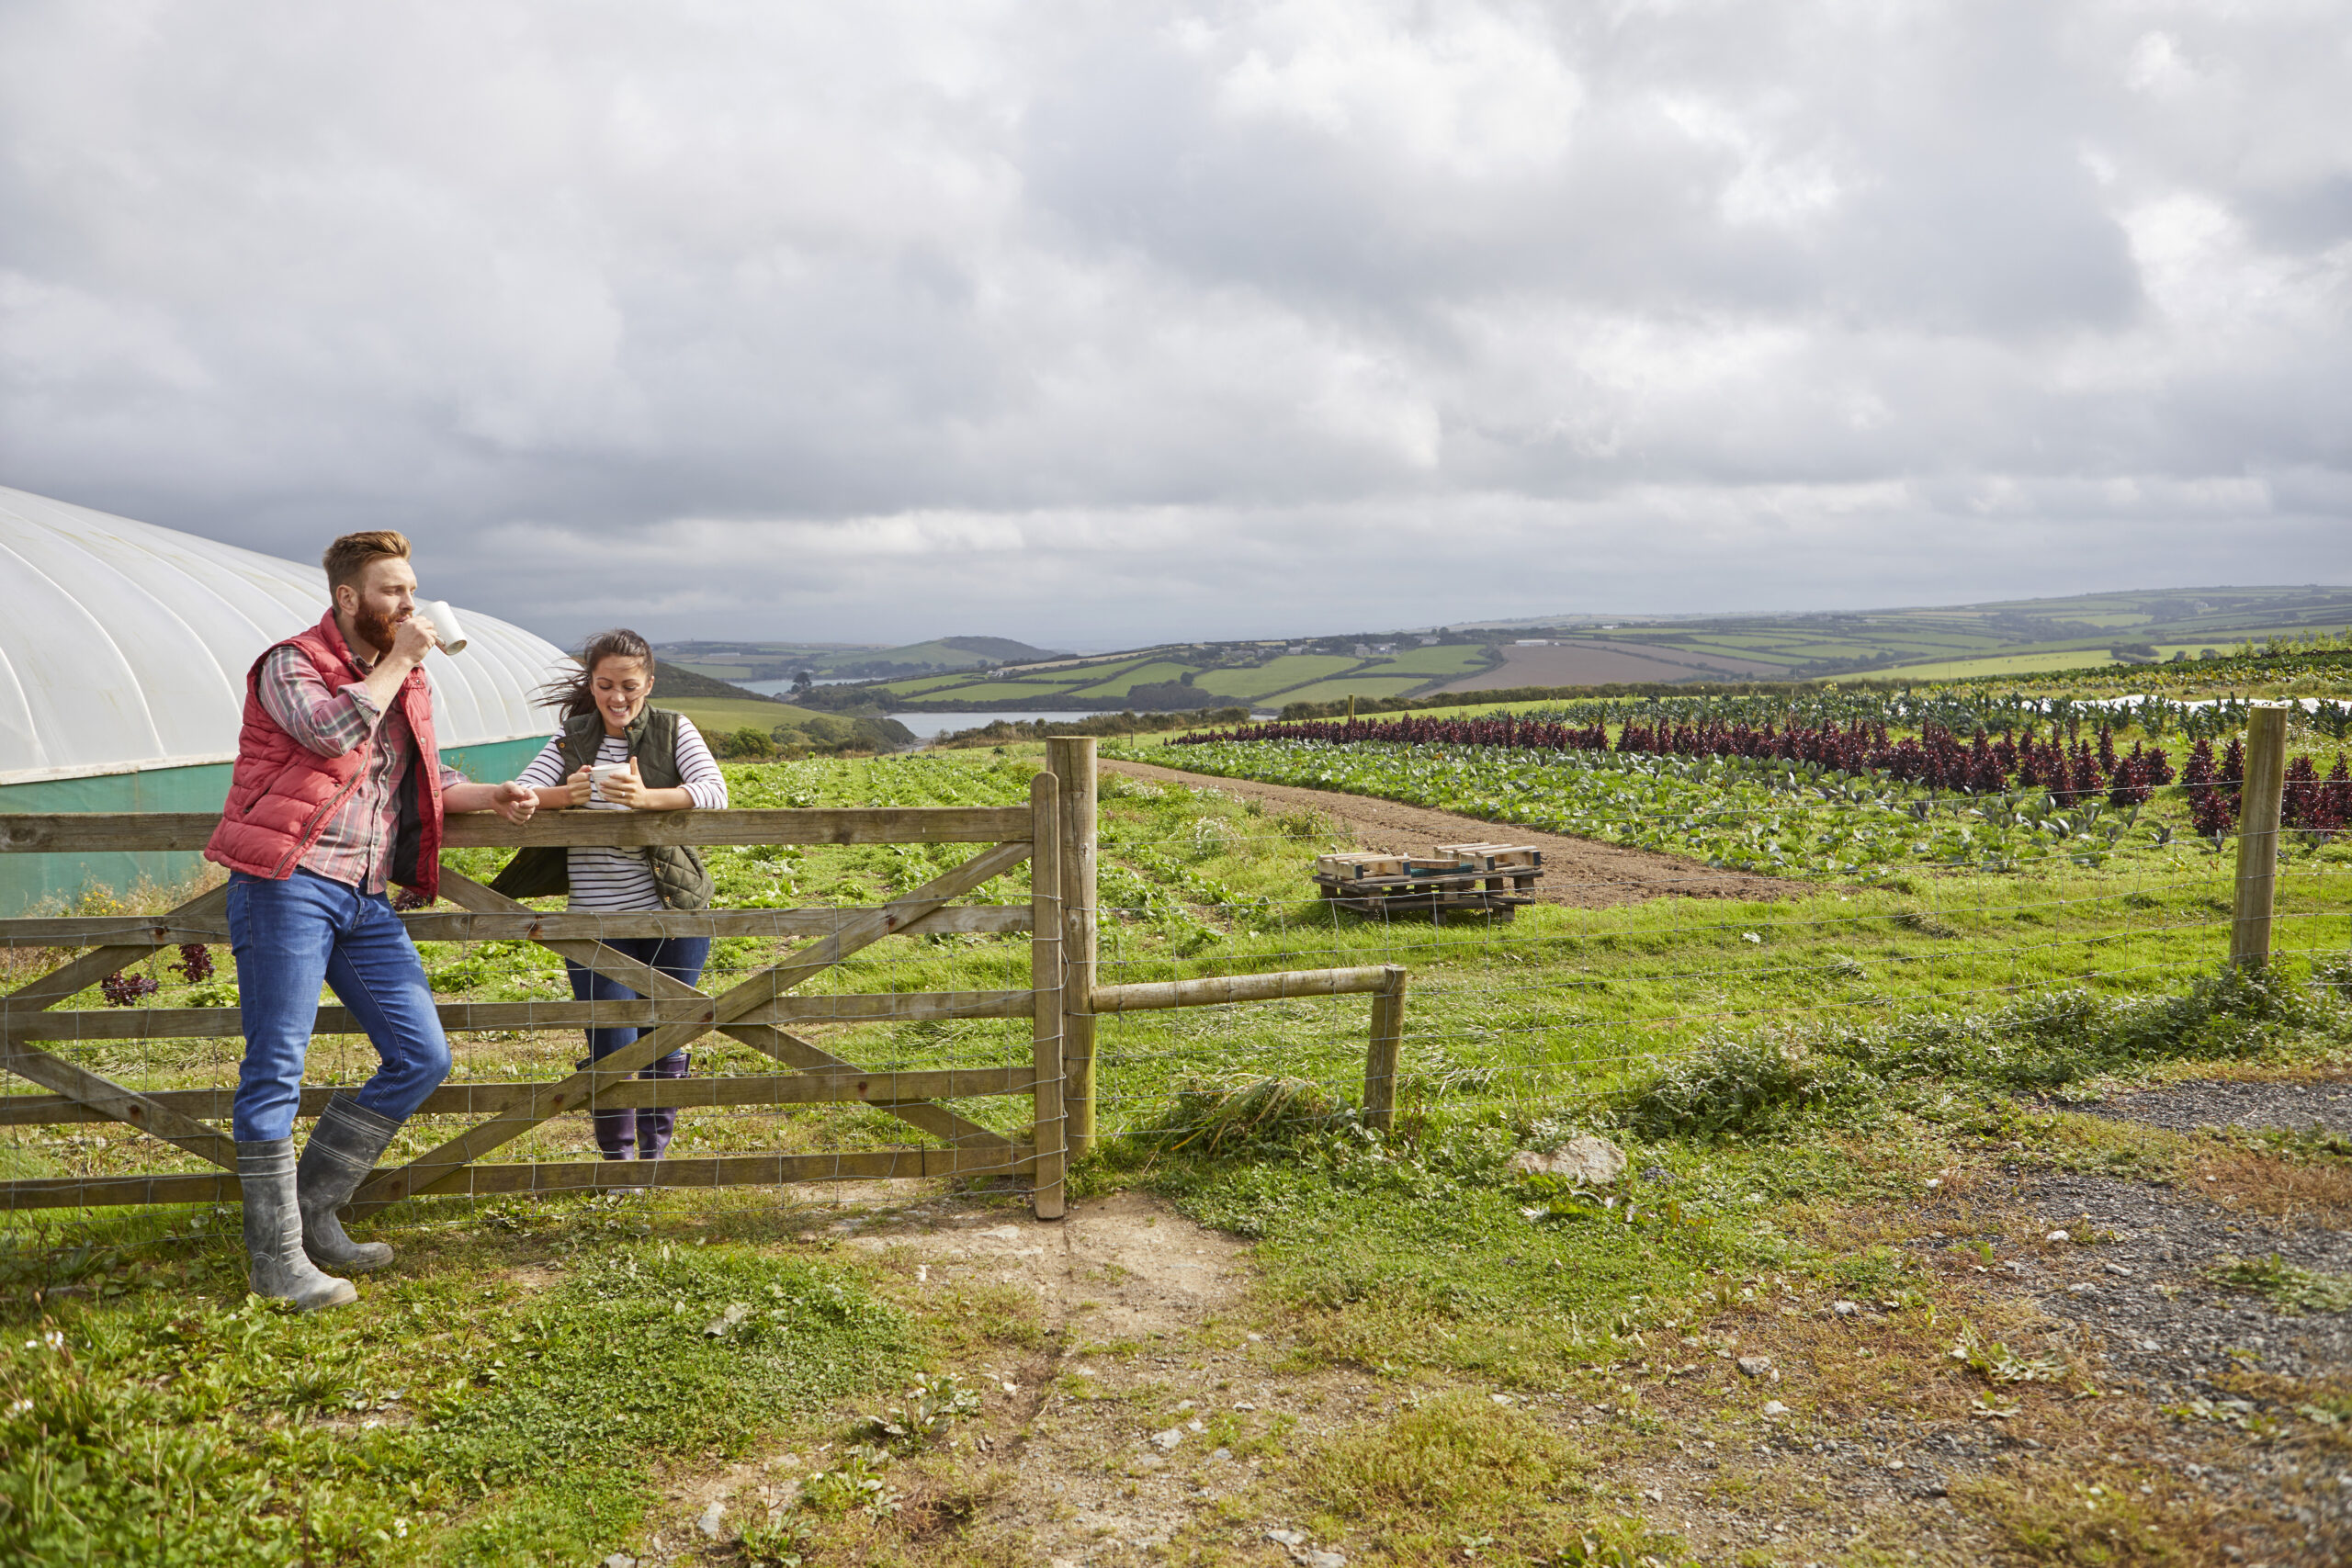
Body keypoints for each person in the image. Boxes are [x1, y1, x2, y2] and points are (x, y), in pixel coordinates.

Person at [205, 530, 537, 1312]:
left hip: (363, 893)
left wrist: (487, 795)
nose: (410, 606)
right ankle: (276, 1261)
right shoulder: (289, 663)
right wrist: (401, 662)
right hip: (287, 882)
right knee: (275, 1067)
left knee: (421, 1054)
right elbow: (330, 732)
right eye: (393, 592)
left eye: (413, 591)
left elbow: (419, 768)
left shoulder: (403, 679)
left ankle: (315, 1208)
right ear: (349, 597)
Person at [492, 629, 727, 1168]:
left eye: (628, 686)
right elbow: (519, 796)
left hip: (674, 912)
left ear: (649, 682)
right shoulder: (571, 738)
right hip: (594, 920)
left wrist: (648, 800)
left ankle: (653, 1156)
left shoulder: (674, 729)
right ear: (591, 684)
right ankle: (619, 1160)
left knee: (666, 1032)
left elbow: (714, 791)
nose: (617, 697)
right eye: (604, 685)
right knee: (610, 1038)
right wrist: (563, 796)